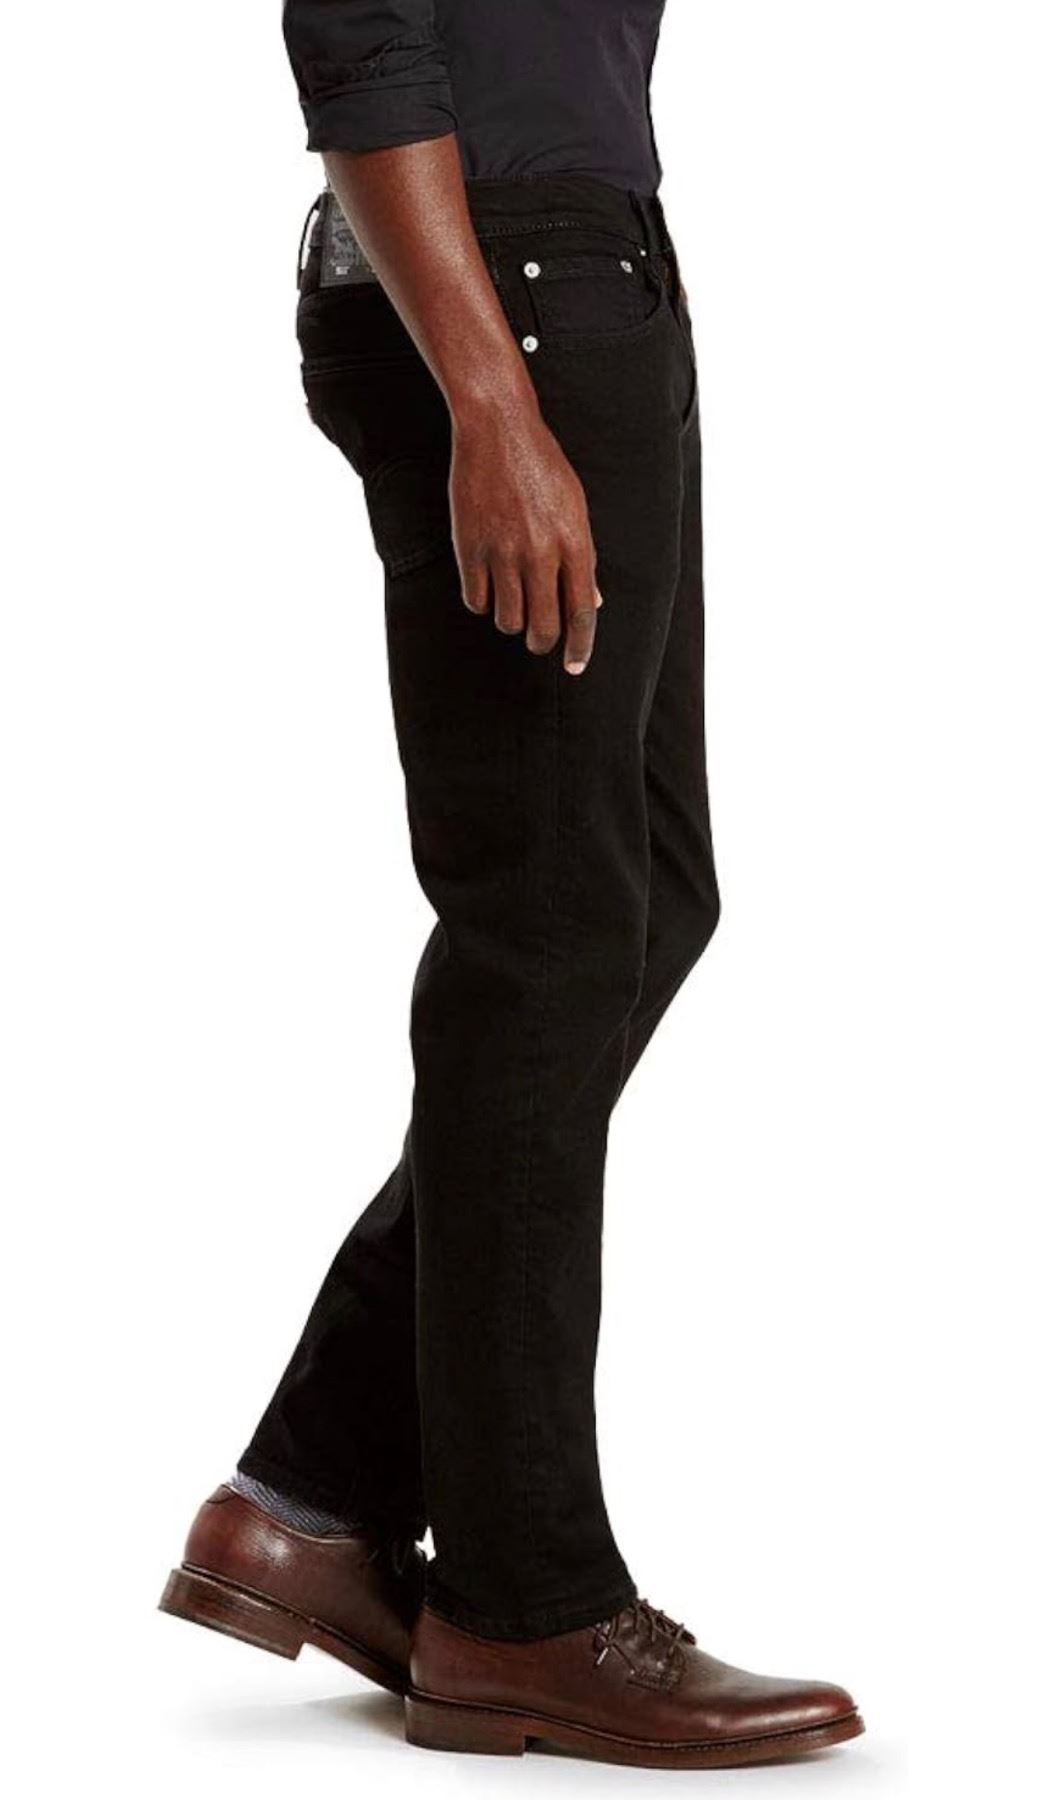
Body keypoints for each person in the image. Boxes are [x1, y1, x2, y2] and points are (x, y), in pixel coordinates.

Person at [161, 2, 863, 1767]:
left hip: (587, 278)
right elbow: (361, 34)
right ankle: (521, 1601)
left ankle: (311, 1494)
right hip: (502, 291)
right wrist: (489, 394)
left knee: (643, 895)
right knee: (544, 935)